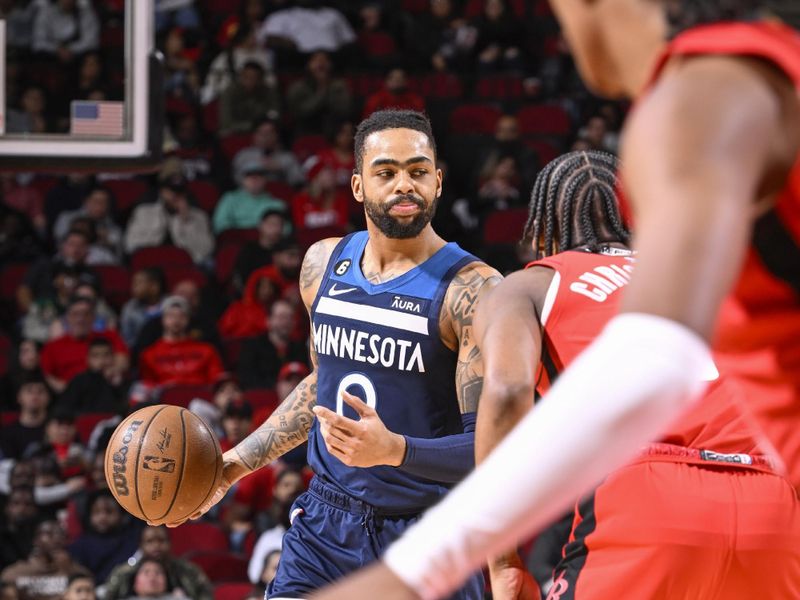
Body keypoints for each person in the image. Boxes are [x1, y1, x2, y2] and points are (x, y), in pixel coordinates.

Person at [313, 1, 800, 598]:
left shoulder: (704, 90)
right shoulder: (769, 75)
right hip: (777, 501)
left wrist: (422, 569)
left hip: (650, 491)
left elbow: (610, 369)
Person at [165, 110, 500, 600]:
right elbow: (320, 387)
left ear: (439, 181)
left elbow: (494, 449)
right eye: (386, 172)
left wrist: (395, 451)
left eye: (418, 170)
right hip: (325, 523)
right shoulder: (323, 264)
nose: (405, 184)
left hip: (429, 529)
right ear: (358, 186)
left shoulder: (474, 290)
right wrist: (237, 462)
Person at [39, 296, 128, 394]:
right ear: (67, 317)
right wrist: (71, 392)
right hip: (69, 397)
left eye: (86, 314)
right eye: (75, 314)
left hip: (105, 392)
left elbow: (123, 361)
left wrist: (112, 371)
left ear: (93, 317)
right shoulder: (52, 346)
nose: (80, 319)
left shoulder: (110, 336)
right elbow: (47, 376)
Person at [124, 174, 214, 265]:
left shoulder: (200, 216)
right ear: (162, 192)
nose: (176, 196)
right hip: (151, 264)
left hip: (184, 266)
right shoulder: (143, 212)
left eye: (180, 192)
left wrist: (185, 221)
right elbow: (131, 244)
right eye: (171, 191)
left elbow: (205, 251)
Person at [137, 296, 224, 388]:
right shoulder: (149, 354)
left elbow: (217, 381)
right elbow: (147, 387)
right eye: (171, 315)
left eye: (181, 316)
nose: (176, 320)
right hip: (164, 400)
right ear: (163, 319)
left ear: (188, 319)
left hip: (200, 399)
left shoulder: (207, 350)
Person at [103, 527, 212, 600]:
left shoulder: (188, 570)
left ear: (170, 543)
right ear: (141, 546)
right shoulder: (124, 573)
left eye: (161, 540)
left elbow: (206, 595)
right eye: (150, 541)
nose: (156, 546)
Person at [0, 520, 90, 600]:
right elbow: (5, 582)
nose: (56, 539)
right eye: (49, 534)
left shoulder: (71, 568)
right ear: (36, 540)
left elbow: (88, 583)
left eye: (60, 534)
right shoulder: (19, 570)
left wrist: (69, 568)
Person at [212, 161, 287, 234]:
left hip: (267, 243)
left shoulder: (276, 204)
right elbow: (219, 224)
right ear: (242, 179)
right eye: (249, 175)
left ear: (265, 179)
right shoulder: (229, 198)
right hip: (236, 240)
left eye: (259, 175)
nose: (254, 179)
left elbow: (286, 229)